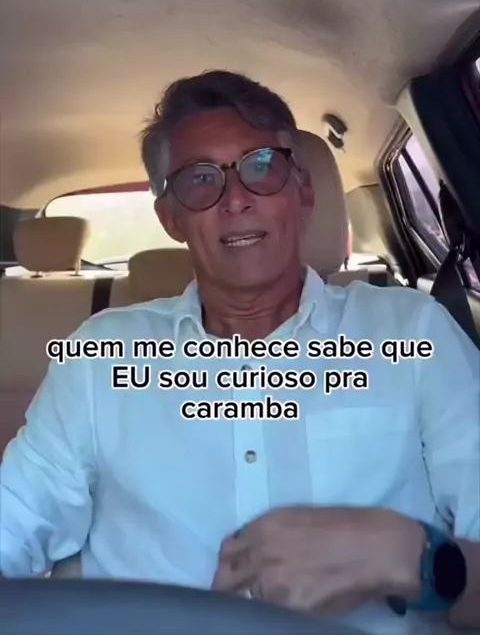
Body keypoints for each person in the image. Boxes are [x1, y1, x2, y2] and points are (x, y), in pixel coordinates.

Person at [0, 70, 479, 635]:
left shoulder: (413, 334)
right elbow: (13, 524)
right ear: (171, 218)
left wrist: (413, 557)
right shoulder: (98, 357)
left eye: (261, 166)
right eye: (200, 179)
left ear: (304, 192)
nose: (235, 200)